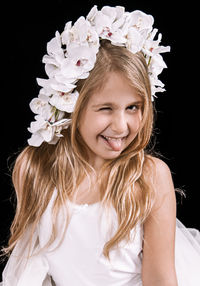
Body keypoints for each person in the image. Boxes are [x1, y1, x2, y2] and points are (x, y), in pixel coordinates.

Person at [1, 5, 200, 286]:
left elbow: (160, 279)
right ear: (72, 106)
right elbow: (36, 266)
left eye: (133, 107)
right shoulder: (33, 170)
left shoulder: (150, 177)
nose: (121, 126)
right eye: (106, 108)